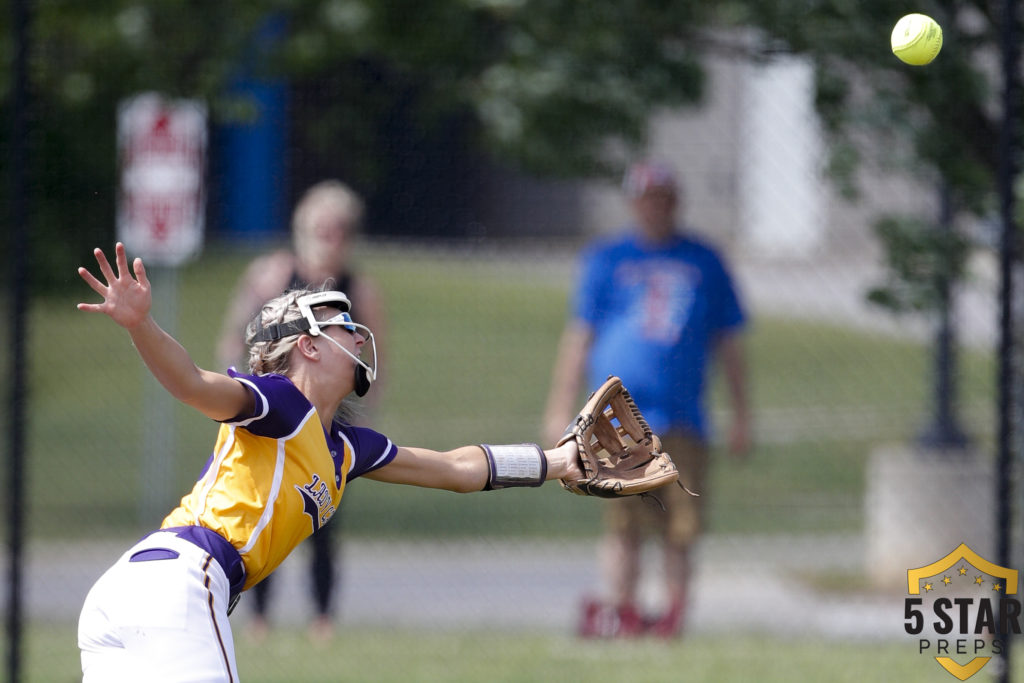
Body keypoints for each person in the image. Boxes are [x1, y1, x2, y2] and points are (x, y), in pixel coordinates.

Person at [76, 242, 584, 682]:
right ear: (308, 346)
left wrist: (558, 462)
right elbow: (190, 382)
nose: (360, 336)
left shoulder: (345, 448)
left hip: (137, 591)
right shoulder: (279, 403)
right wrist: (141, 325)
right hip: (180, 582)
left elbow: (454, 469)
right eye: (344, 327)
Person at [542, 160, 752, 640]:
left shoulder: (705, 261)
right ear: (634, 204)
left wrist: (741, 414)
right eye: (646, 198)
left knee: (681, 524)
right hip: (617, 419)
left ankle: (674, 614)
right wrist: (559, 406)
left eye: (663, 198)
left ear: (676, 202)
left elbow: (730, 344)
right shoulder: (608, 259)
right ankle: (624, 610)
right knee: (624, 522)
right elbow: (580, 338)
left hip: (684, 416)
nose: (655, 207)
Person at [215, 179, 386, 641]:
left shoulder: (357, 289)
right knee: (266, 509)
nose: (331, 239)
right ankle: (259, 616)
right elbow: (236, 332)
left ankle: (322, 616)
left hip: (330, 417)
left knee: (322, 512)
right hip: (277, 417)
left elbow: (375, 357)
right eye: (322, 229)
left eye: (340, 230)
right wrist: (242, 391)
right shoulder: (273, 274)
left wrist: (364, 412)